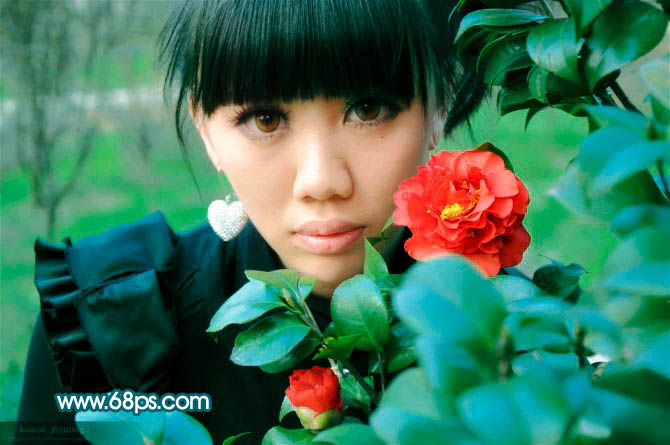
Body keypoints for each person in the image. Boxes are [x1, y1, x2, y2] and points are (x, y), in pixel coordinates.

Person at [16, 0, 490, 443]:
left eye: (367, 109)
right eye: (265, 120)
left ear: (439, 105)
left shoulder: (512, 331)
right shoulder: (106, 328)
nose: (321, 181)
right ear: (205, 129)